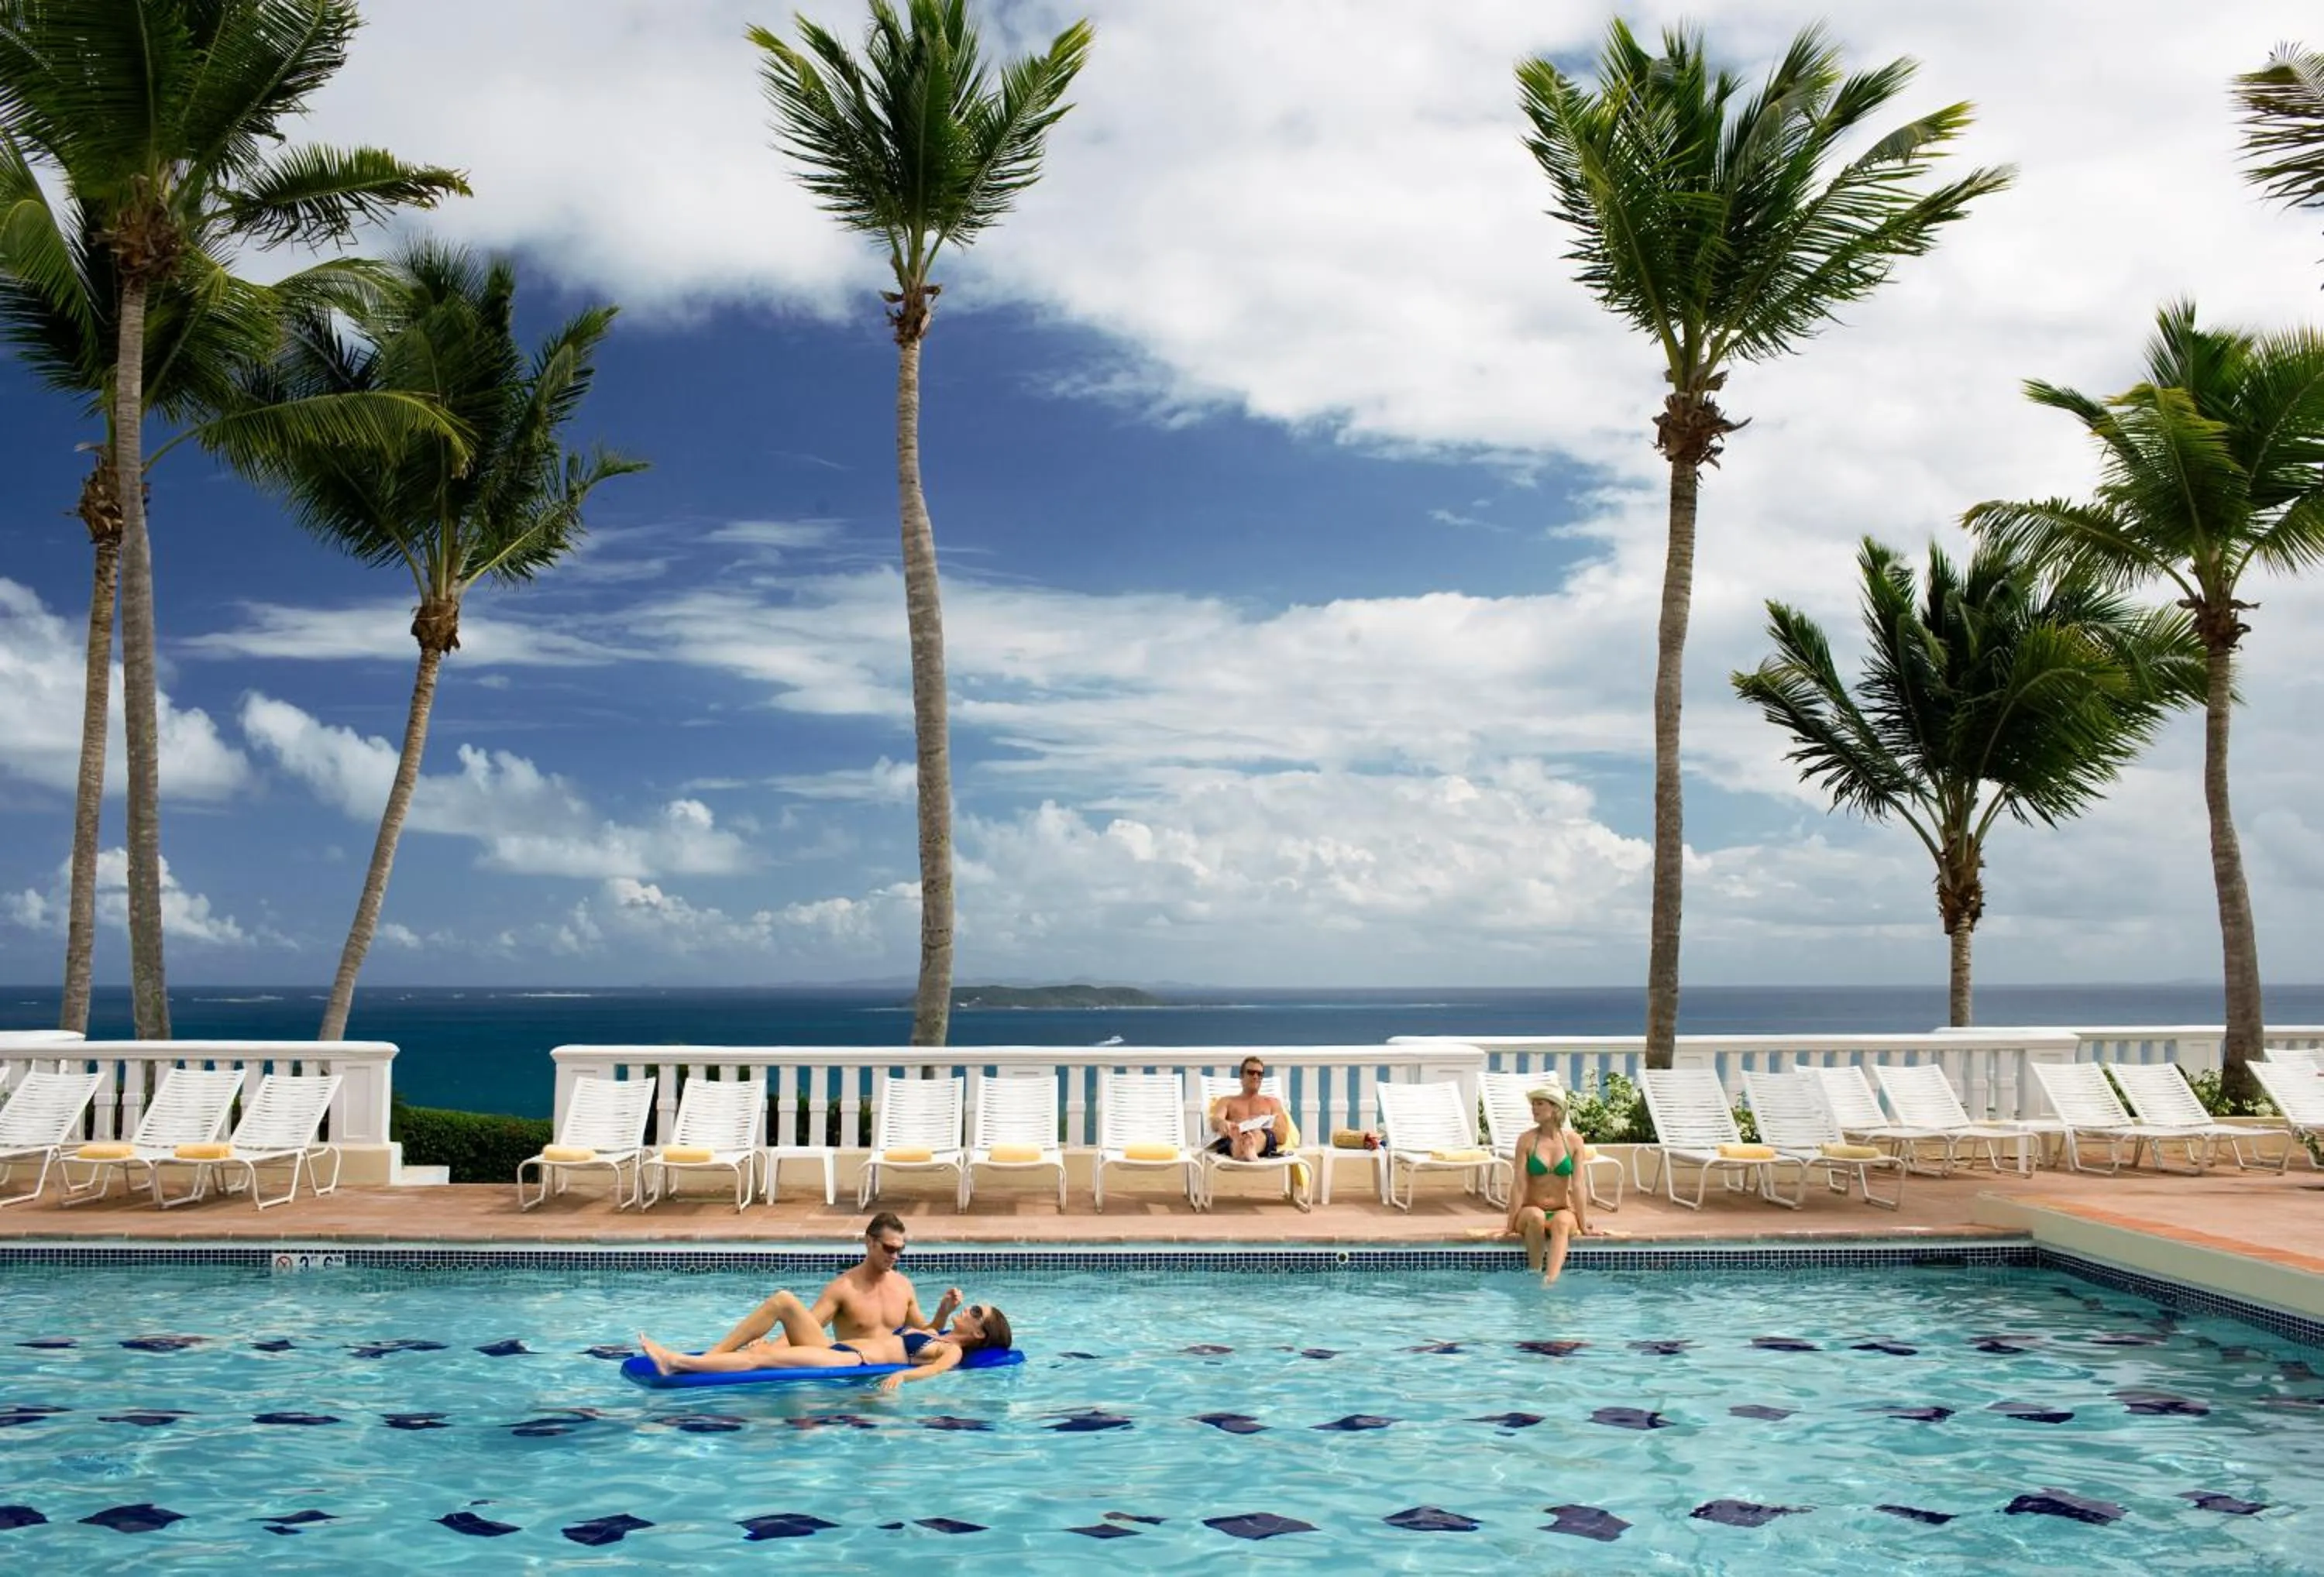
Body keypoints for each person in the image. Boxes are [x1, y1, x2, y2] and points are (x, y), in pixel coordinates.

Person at [638, 1290, 1014, 1393]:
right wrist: (944, 1311)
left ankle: (678, 1363)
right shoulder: (939, 1334)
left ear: (980, 1334)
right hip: (838, 1351)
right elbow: (926, 1330)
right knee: (784, 1301)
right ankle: (711, 1357)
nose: (970, 1310)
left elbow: (936, 1368)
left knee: (763, 1359)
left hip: (849, 1362)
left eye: (976, 1313)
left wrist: (904, 1378)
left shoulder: (954, 1349)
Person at [699, 1211, 951, 1356]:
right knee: (783, 1302)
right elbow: (808, 1327)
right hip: (846, 1367)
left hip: (888, 1368)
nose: (895, 1257)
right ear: (869, 1242)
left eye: (900, 1251)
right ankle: (715, 1355)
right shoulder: (844, 1288)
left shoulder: (904, 1286)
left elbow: (927, 1332)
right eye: (889, 1248)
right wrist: (771, 1349)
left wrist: (943, 1312)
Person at [1505, 1084, 1602, 1284]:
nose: (1534, 1108)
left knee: (1563, 1221)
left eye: (1540, 1104)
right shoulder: (1526, 1140)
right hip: (1530, 1210)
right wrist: (1510, 1224)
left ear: (1555, 1108)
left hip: (1561, 1208)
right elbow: (1519, 1185)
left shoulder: (1574, 1141)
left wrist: (1583, 1225)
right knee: (1536, 1216)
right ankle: (1535, 1272)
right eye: (1533, 1104)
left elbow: (1578, 1186)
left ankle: (1550, 1281)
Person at [1211, 1056, 1291, 1161]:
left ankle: (1247, 1149)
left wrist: (1259, 1128)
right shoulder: (1227, 1101)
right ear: (1241, 1076)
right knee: (1234, 1137)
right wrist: (1222, 1123)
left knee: (1257, 1133)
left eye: (1260, 1074)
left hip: (1261, 1139)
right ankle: (1244, 1149)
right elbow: (1215, 1120)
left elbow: (1282, 1136)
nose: (1256, 1076)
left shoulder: (1272, 1102)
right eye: (1251, 1072)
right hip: (1235, 1137)